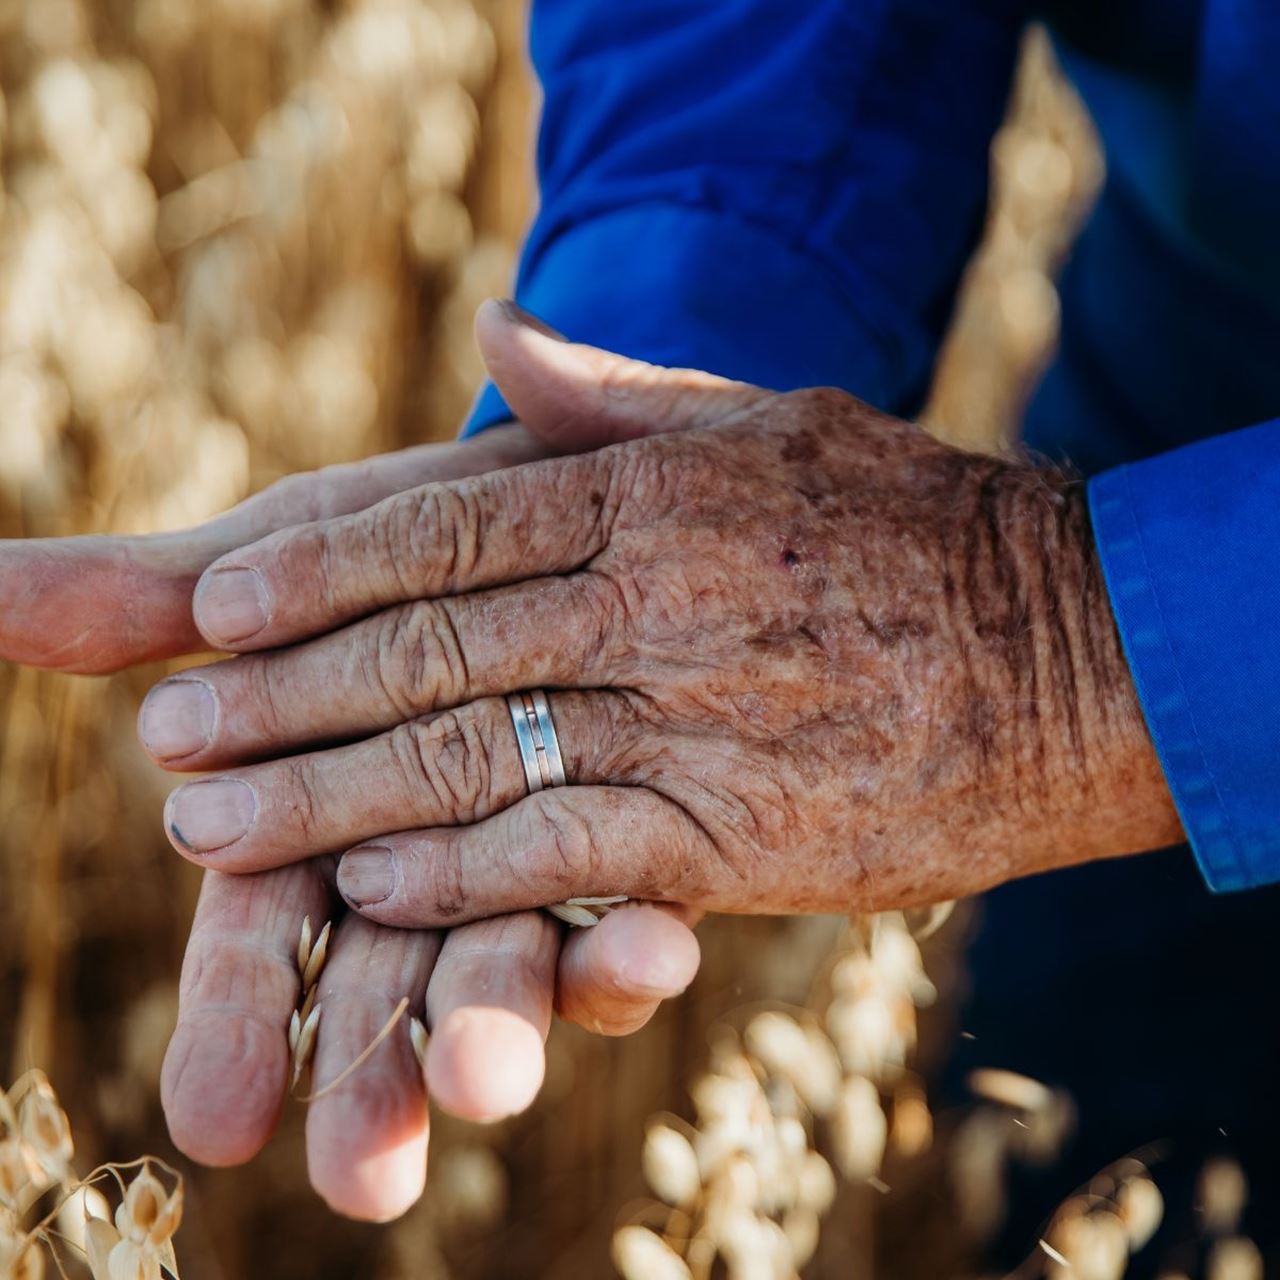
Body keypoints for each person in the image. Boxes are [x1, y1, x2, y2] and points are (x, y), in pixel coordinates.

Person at [3, 0, 1278, 1254]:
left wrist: (1071, 653)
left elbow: (1076, 642)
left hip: (1133, 536)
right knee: (1091, 1171)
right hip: (1186, 364)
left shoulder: (1055, 638)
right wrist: (661, 423)